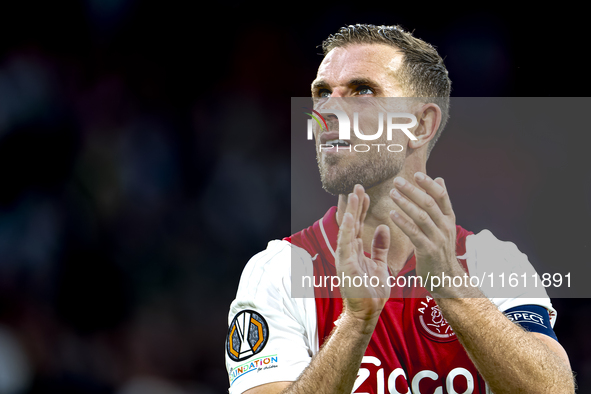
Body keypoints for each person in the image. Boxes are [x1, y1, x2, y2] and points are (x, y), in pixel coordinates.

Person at [225, 24, 575, 394]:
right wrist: (356, 323)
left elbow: (553, 389)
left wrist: (451, 286)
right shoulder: (279, 270)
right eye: (323, 92)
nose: (327, 110)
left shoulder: (493, 263)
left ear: (421, 125)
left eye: (362, 91)